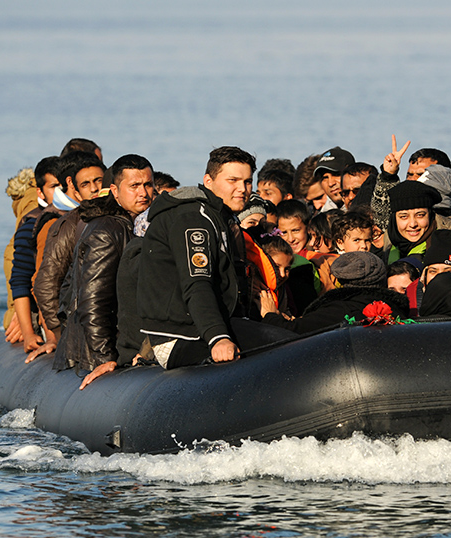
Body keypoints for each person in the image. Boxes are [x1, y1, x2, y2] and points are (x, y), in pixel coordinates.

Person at [136, 146, 255, 368]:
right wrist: (218, 337)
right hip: (182, 336)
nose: (242, 189)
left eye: (247, 182)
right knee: (284, 346)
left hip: (202, 327)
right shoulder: (194, 217)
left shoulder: (218, 216)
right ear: (208, 181)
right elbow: (197, 283)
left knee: (286, 337)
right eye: (233, 181)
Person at [53, 154, 154, 389]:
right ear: (115, 191)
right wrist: (104, 358)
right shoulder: (107, 231)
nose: (143, 193)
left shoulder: (136, 225)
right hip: (92, 354)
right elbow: (93, 299)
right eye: (134, 186)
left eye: (148, 185)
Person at [27, 152, 106, 361]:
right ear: (76, 190)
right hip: (79, 328)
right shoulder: (64, 226)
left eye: (99, 181)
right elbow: (44, 283)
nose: (95, 188)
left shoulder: (118, 220)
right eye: (86, 184)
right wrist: (57, 335)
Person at [259, 251, 409, 334]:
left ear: (341, 280)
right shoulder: (397, 309)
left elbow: (292, 332)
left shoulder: (340, 309)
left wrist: (270, 315)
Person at [7, 156, 61, 352]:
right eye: (54, 186)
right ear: (40, 192)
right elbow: (20, 281)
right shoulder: (31, 227)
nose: (61, 192)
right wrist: (29, 334)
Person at [383, 180, 442, 264]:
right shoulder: (388, 244)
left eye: (420, 215)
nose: (413, 224)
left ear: (430, 215)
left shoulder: (446, 243)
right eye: (404, 216)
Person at [314, 146, 355, 212]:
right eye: (325, 178)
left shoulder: (373, 209)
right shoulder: (321, 219)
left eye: (336, 174)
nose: (330, 183)